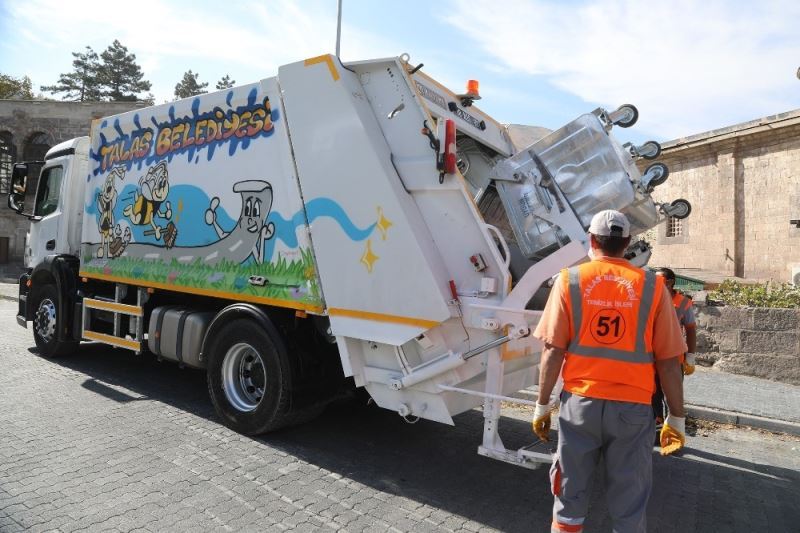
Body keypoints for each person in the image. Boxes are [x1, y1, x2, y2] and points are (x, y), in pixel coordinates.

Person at [530, 210, 687, 533]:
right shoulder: (653, 286)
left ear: (591, 240)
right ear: (627, 243)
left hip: (580, 405)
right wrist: (677, 417)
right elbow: (669, 362)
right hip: (633, 410)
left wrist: (542, 405)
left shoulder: (569, 280)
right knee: (629, 501)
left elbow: (553, 351)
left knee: (569, 493)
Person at [652, 267, 697, 427]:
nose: (655, 282)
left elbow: (691, 330)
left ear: (670, 282)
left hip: (673, 359)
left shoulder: (683, 302)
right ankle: (657, 426)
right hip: (652, 357)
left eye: (659, 279)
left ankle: (673, 427)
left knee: (671, 396)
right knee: (653, 394)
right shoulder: (651, 299)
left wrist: (690, 356)